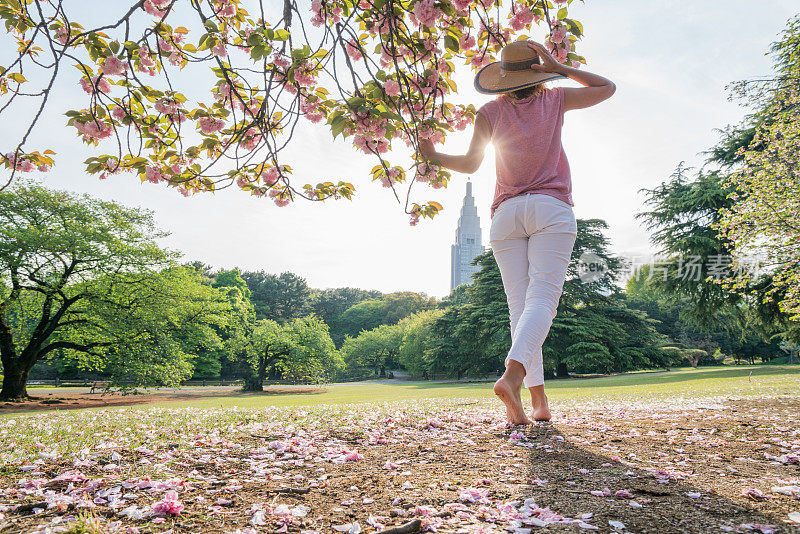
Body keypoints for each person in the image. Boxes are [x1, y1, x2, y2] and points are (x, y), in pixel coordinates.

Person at [419, 40, 616, 425]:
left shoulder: (489, 111)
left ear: (503, 79)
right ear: (537, 73)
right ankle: (512, 376)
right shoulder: (556, 100)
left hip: (505, 215)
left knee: (520, 308)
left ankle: (537, 403)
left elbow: (471, 164)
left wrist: (434, 156)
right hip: (550, 208)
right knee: (542, 301)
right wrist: (558, 65)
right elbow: (606, 88)